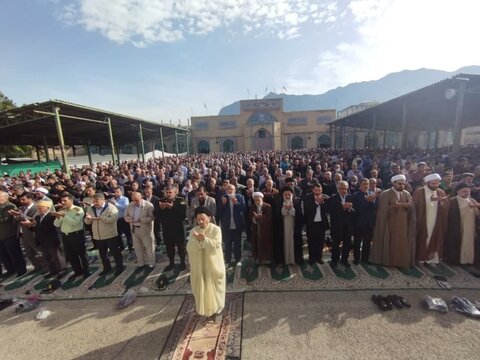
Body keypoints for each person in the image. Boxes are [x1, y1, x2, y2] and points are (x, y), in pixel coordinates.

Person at [187, 206, 226, 320]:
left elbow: (216, 245)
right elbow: (189, 247)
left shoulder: (216, 229)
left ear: (209, 218)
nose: (200, 222)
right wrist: (197, 240)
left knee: (214, 289)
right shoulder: (194, 231)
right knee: (201, 288)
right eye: (198, 219)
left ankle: (217, 309)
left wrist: (204, 239)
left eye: (203, 219)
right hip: (199, 267)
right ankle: (205, 310)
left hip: (213, 266)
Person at [370, 174, 416, 267]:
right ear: (393, 183)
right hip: (389, 224)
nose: (402, 186)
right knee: (389, 242)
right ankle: (388, 261)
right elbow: (381, 211)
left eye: (403, 184)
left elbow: (411, 207)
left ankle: (400, 262)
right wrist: (391, 207)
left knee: (401, 242)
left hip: (403, 224)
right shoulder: (385, 194)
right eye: (399, 184)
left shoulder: (406, 193)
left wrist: (404, 205)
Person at [412, 173, 449, 264]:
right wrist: (430, 200)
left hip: (436, 220)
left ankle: (431, 258)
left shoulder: (441, 192)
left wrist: (442, 202)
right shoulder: (419, 191)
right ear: (427, 183)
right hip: (423, 219)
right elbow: (415, 205)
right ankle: (420, 257)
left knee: (434, 236)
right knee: (423, 237)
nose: (435, 186)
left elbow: (445, 206)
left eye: (437, 184)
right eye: (433, 184)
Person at [85, 193, 124, 276]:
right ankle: (107, 268)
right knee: (103, 254)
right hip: (98, 236)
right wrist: (88, 219)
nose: (95, 203)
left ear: (103, 200)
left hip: (110, 234)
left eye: (96, 201)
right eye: (94, 201)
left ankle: (120, 267)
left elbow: (113, 219)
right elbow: (87, 222)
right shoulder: (91, 209)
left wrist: (101, 218)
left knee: (115, 252)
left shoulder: (111, 207)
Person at [53, 192, 90, 280]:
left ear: (71, 200)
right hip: (65, 236)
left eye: (65, 201)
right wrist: (58, 217)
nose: (63, 203)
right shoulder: (62, 210)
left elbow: (75, 222)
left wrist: (64, 215)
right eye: (62, 201)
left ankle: (86, 271)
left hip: (76, 234)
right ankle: (77, 271)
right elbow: (56, 225)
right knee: (71, 255)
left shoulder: (78, 210)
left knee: (81, 254)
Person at [444, 183, 480, 265]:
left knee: (468, 243)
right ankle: (456, 261)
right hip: (456, 227)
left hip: (470, 227)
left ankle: (468, 261)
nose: (466, 193)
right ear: (458, 192)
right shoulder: (452, 201)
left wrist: (475, 207)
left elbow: (478, 214)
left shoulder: (472, 201)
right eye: (464, 191)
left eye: (468, 191)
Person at [27, 200, 62, 278]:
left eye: (41, 208)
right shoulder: (38, 217)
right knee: (47, 257)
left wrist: (36, 225)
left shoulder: (52, 215)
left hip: (51, 240)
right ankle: (52, 271)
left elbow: (52, 227)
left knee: (56, 257)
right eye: (38, 208)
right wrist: (30, 226)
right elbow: (36, 229)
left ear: (47, 207)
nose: (39, 210)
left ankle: (61, 270)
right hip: (42, 241)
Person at [157, 186, 187, 271]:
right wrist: (160, 209)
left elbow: (183, 215)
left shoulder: (180, 200)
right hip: (167, 229)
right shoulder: (160, 201)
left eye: (170, 192)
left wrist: (172, 208)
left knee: (181, 247)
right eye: (167, 193)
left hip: (178, 228)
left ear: (175, 193)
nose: (168, 194)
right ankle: (171, 263)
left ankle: (182, 262)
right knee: (169, 247)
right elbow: (156, 214)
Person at [125, 191, 156, 269]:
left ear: (141, 198)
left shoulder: (148, 205)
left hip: (145, 230)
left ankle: (151, 263)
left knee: (149, 247)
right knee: (138, 247)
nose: (135, 202)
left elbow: (152, 217)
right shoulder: (130, 205)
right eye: (133, 200)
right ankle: (141, 263)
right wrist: (128, 219)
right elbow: (126, 215)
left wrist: (140, 220)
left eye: (136, 200)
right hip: (134, 229)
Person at [273, 186, 303, 265]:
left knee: (294, 242)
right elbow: (277, 215)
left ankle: (294, 259)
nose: (287, 196)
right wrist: (285, 209)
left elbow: (299, 215)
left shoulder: (296, 202)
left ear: (292, 195)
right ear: (283, 195)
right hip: (283, 227)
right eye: (285, 195)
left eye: (289, 194)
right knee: (284, 242)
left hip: (294, 227)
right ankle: (284, 260)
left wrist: (291, 209)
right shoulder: (279, 202)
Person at [327, 181, 354, 268]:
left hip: (348, 226)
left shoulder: (350, 197)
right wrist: (342, 207)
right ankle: (334, 260)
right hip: (337, 226)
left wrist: (350, 209)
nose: (344, 190)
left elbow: (355, 211)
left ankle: (344, 260)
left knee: (347, 244)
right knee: (335, 244)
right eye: (342, 189)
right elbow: (331, 212)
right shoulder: (333, 198)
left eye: (345, 189)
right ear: (338, 189)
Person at [0, 191, 27, 277]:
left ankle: (21, 269)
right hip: (2, 235)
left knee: (14, 252)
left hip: (9, 234)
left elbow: (5, 219)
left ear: (5, 197)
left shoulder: (10, 206)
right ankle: (10, 269)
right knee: (4, 254)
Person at [219, 184, 246, 266]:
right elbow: (219, 211)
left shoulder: (240, 197)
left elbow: (244, 209)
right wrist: (223, 204)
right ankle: (228, 260)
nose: (230, 191)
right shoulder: (223, 198)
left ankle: (238, 260)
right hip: (227, 225)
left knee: (237, 243)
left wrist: (236, 203)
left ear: (235, 190)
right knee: (227, 244)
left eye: (231, 189)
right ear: (226, 190)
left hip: (237, 224)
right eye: (228, 189)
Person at [302, 183, 329, 265]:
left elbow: (327, 210)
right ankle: (311, 259)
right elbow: (308, 209)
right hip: (312, 224)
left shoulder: (325, 198)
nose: (318, 192)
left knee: (320, 242)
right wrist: (317, 203)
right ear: (313, 190)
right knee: (311, 242)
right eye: (316, 190)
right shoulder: (307, 197)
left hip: (321, 224)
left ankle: (319, 258)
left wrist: (322, 203)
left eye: (320, 190)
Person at [352, 178, 376, 265]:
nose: (366, 186)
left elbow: (375, 208)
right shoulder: (355, 195)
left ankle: (365, 258)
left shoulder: (371, 194)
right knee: (357, 242)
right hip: (359, 223)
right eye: (364, 184)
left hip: (369, 223)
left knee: (367, 242)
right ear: (360, 185)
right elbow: (356, 209)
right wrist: (367, 201)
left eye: (367, 184)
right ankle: (356, 259)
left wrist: (371, 202)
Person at [249, 192, 274, 264]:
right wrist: (255, 217)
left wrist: (260, 217)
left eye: (258, 200)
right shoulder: (252, 207)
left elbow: (269, 217)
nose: (257, 202)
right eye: (255, 200)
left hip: (266, 230)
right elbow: (250, 217)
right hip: (256, 229)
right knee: (257, 244)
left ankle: (267, 260)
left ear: (262, 199)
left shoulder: (267, 206)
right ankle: (258, 259)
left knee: (266, 244)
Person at [110, 186, 133, 252]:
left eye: (117, 192)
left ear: (121, 192)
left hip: (123, 219)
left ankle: (130, 247)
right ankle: (121, 246)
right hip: (116, 219)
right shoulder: (113, 199)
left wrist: (116, 203)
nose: (115, 193)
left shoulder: (125, 199)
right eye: (115, 192)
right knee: (117, 234)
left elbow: (125, 207)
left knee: (128, 234)